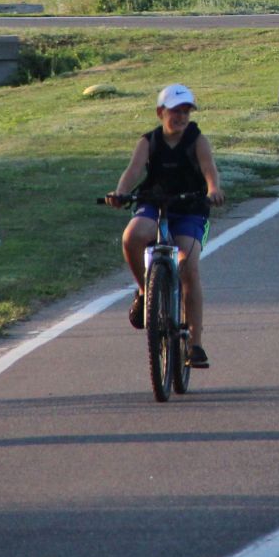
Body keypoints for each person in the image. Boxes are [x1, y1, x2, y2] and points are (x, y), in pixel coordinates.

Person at [104, 84, 225, 369]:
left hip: (190, 207)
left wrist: (213, 189)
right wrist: (121, 192)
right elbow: (133, 170)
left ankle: (194, 343)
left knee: (187, 265)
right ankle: (145, 291)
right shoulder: (149, 141)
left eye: (186, 111)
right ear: (161, 112)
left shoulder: (197, 140)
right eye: (175, 111)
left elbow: (209, 169)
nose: (181, 117)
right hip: (154, 203)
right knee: (132, 237)